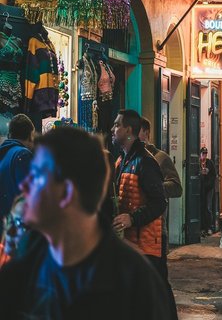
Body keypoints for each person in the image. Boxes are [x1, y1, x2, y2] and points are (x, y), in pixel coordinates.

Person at [0, 127, 175, 319]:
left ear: (66, 193)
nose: (25, 184)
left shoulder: (133, 282)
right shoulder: (27, 259)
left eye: (37, 176)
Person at [111, 109, 178, 318]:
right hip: (132, 243)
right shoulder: (123, 160)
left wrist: (132, 218)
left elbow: (159, 202)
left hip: (148, 245)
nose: (112, 129)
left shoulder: (145, 161)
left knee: (155, 299)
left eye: (117, 125)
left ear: (129, 130)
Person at [0, 114, 35, 236]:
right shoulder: (22, 154)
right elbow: (29, 197)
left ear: (10, 134)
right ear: (31, 136)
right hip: (15, 231)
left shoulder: (4, 152)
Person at [139, 117, 182, 200]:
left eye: (136, 131)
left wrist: (151, 188)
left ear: (146, 133)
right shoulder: (125, 158)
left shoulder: (161, 157)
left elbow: (176, 188)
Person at [200, 146, 216, 236]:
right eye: (203, 153)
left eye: (206, 153)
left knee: (208, 207)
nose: (204, 155)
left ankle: (209, 227)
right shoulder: (198, 163)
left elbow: (214, 174)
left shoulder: (210, 163)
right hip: (201, 188)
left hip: (209, 188)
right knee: (202, 207)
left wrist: (210, 182)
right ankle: (202, 228)